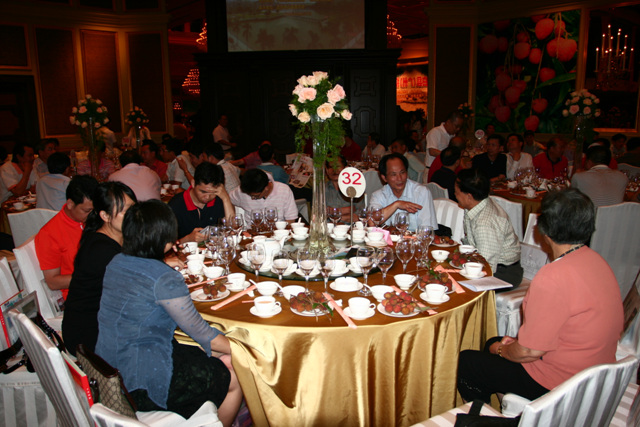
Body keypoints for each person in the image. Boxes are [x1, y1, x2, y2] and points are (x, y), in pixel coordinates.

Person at [457, 189, 623, 404]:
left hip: (561, 385)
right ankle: (507, 403)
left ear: (545, 229)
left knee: (468, 361)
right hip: (596, 374)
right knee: (493, 342)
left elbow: (529, 351)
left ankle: (491, 414)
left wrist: (502, 350)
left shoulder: (553, 276)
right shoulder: (598, 262)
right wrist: (511, 346)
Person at [95, 200, 242, 424]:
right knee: (232, 374)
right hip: (140, 382)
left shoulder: (116, 262)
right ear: (164, 240)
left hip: (108, 368)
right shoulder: (165, 278)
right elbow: (202, 333)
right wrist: (245, 350)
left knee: (215, 356)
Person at [62, 182, 136, 355]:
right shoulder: (102, 251)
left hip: (103, 322)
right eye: (125, 211)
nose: (133, 216)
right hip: (88, 337)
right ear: (105, 215)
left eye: (134, 208)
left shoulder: (116, 238)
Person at [455, 168, 522, 287]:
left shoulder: (485, 223)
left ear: (469, 196)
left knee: (455, 285)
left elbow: (486, 266)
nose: (455, 195)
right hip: (486, 263)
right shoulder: (477, 204)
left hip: (503, 274)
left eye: (457, 192)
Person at [35, 175, 99, 299]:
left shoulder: (93, 220)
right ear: (70, 204)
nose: (93, 215)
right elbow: (52, 282)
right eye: (87, 211)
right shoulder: (50, 233)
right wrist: (92, 278)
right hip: (80, 294)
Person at [369, 153, 438, 232]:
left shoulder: (421, 192)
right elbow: (371, 222)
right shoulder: (378, 195)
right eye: (393, 174)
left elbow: (427, 229)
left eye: (402, 172)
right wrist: (396, 204)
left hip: (414, 238)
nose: (399, 178)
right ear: (384, 178)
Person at [168, 162, 235, 244]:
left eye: (213, 192)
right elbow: (164, 246)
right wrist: (187, 239)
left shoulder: (218, 200)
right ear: (193, 183)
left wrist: (226, 198)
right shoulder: (176, 205)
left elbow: (233, 231)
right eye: (203, 192)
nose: (207, 197)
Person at [229, 168, 298, 223]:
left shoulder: (284, 190)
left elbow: (291, 219)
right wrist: (233, 219)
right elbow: (228, 200)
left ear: (266, 188)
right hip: (253, 232)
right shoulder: (241, 191)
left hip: (278, 232)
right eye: (250, 195)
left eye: (256, 196)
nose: (252, 198)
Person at [326, 155, 364, 222]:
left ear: (345, 168)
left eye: (337, 166)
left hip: (351, 227)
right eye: (331, 167)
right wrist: (347, 210)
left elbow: (358, 217)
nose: (334, 170)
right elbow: (319, 215)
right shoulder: (322, 190)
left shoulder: (355, 188)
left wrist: (332, 212)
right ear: (327, 170)